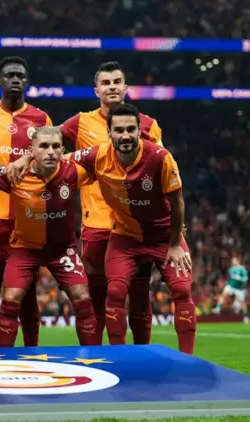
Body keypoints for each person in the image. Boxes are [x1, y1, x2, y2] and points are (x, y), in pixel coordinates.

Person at [69, 103, 196, 354]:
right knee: (115, 292)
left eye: (130, 129)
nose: (125, 135)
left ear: (140, 131)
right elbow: (61, 160)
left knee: (182, 289)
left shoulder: (160, 157)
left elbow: (177, 203)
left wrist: (175, 244)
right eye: (119, 130)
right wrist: (28, 158)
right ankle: (119, 358)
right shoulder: (97, 155)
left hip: (163, 237)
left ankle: (188, 359)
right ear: (109, 132)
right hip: (125, 237)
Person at [60, 61, 164, 346]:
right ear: (97, 90)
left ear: (126, 87)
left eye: (117, 82)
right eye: (105, 83)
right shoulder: (80, 123)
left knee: (139, 295)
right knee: (97, 297)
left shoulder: (148, 125)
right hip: (97, 224)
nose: (112, 87)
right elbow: (48, 138)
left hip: (135, 227)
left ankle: (141, 355)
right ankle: (94, 357)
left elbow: (159, 173)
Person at [0, 127, 98, 347]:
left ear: (63, 150)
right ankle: (4, 358)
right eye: (44, 146)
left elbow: (103, 163)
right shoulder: (15, 173)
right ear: (32, 150)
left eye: (55, 146)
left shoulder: (74, 171)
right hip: (24, 249)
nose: (50, 152)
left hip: (62, 250)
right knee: (10, 300)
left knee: (83, 298)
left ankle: (93, 356)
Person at [0, 56, 53, 346]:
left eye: (20, 75)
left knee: (26, 293)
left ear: (26, 82)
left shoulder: (41, 119)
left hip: (28, 217)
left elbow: (53, 157)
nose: (15, 79)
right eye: (9, 75)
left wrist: (29, 159)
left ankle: (31, 353)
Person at [214, 257, 250, 323]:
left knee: (243, 303)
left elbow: (245, 279)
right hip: (231, 286)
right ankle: (218, 308)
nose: (233, 262)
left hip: (239, 288)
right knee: (224, 295)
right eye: (232, 261)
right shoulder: (231, 269)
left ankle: (246, 317)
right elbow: (230, 278)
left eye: (234, 260)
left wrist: (240, 279)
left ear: (238, 261)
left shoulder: (242, 269)